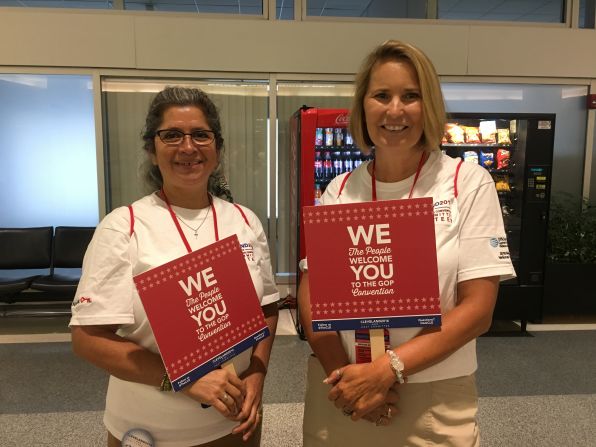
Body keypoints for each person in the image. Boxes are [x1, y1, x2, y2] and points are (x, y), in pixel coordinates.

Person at [298, 40, 516, 446]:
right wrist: (349, 381)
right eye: (382, 95)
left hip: (432, 394)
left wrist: (386, 370)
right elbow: (313, 294)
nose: (395, 110)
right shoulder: (340, 189)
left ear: (428, 106)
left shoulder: (465, 183)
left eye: (411, 96)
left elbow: (478, 310)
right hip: (342, 385)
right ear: (363, 105)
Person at [70, 86, 279, 447]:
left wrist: (257, 374)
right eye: (171, 135)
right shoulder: (124, 225)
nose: (188, 147)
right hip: (150, 431)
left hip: (234, 424)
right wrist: (181, 377)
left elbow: (268, 308)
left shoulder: (244, 220)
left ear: (217, 149)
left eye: (201, 135)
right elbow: (88, 340)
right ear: (152, 150)